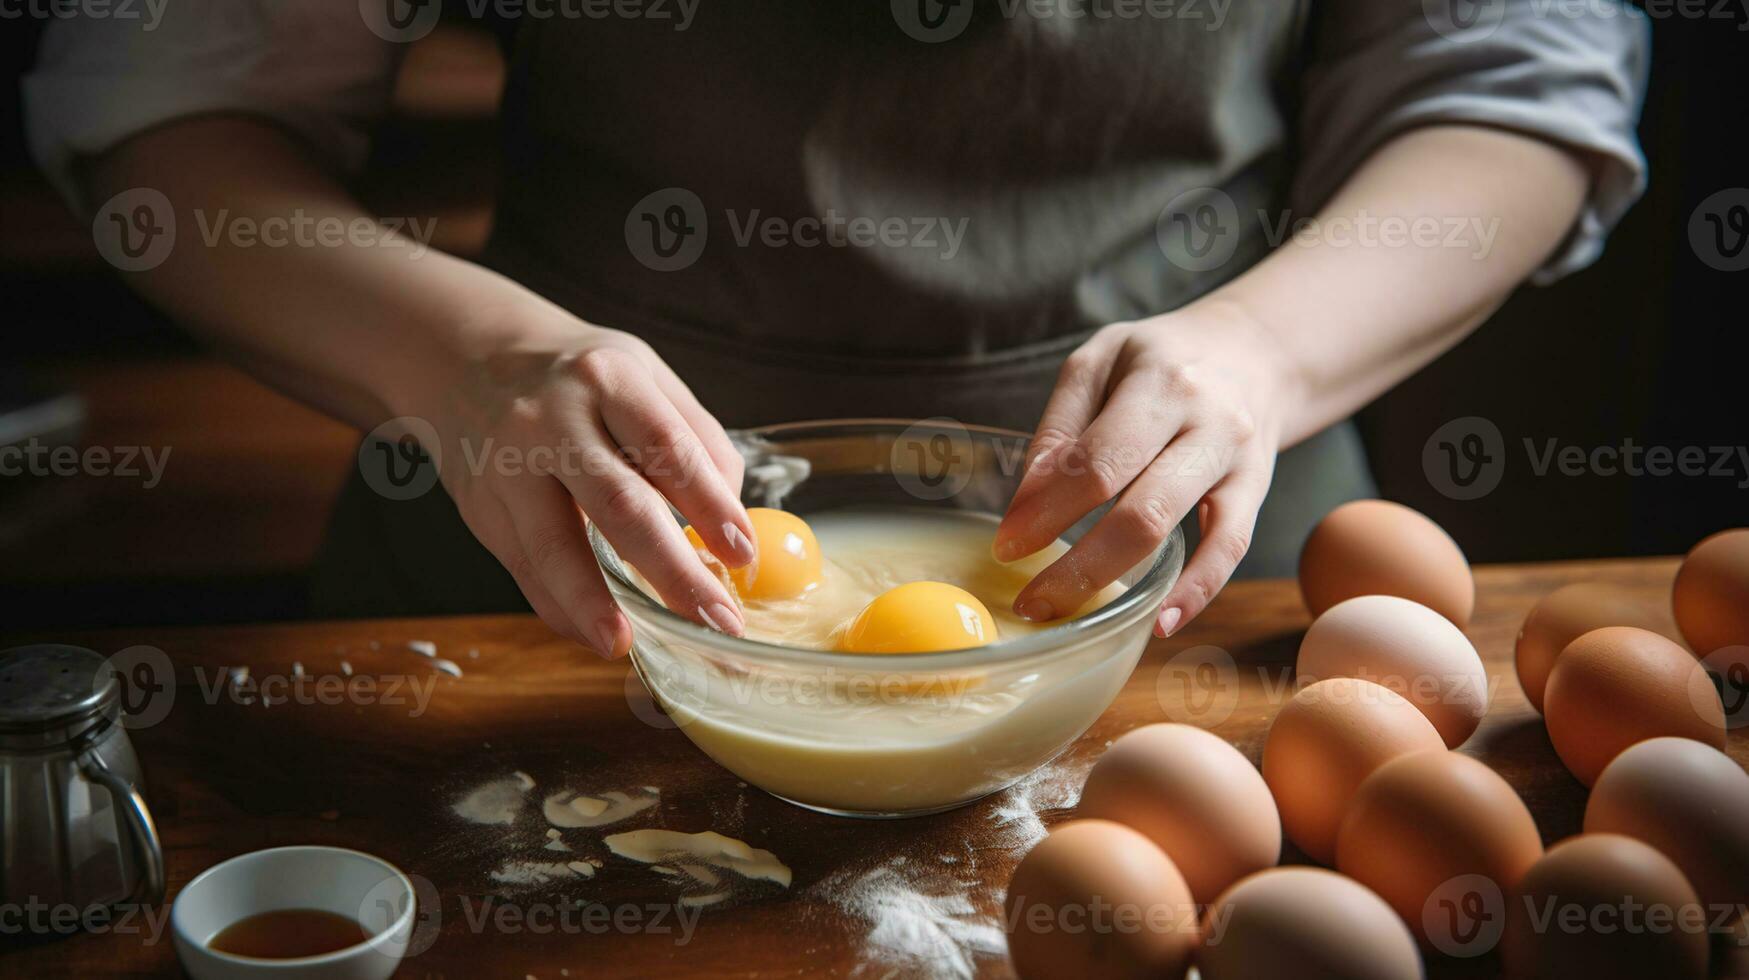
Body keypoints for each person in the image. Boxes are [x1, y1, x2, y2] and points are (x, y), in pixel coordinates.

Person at [25, 2, 1649, 656]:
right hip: (547, 569)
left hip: (1189, 580)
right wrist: (459, 358)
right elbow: (172, 113)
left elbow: (1508, 75)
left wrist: (1263, 355)